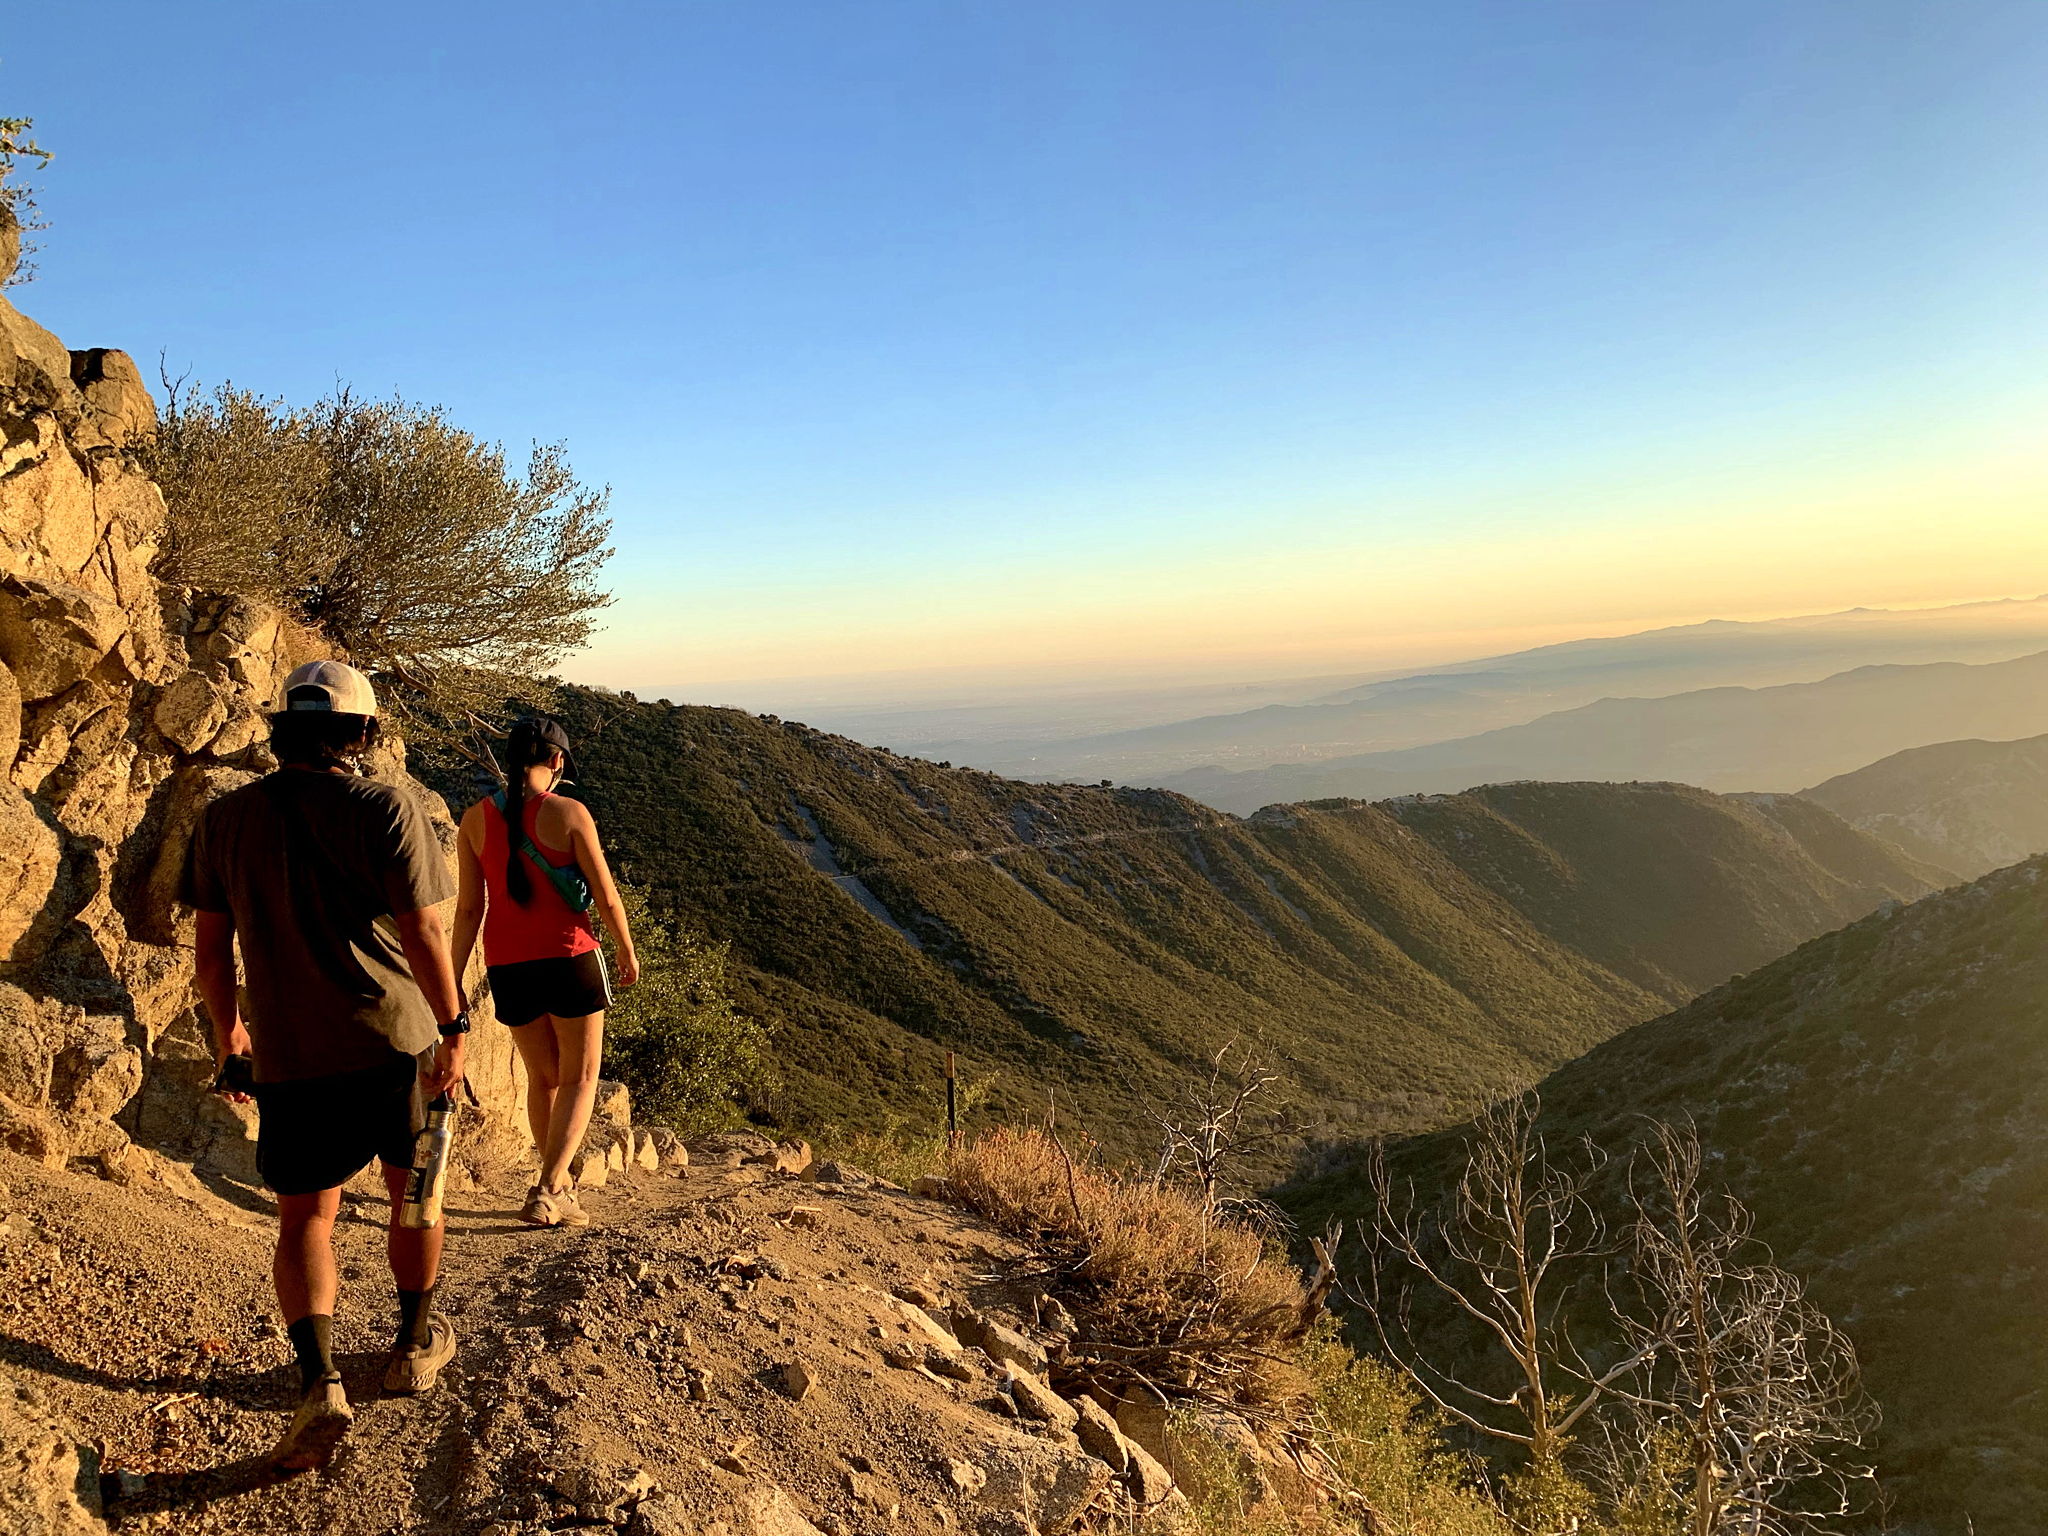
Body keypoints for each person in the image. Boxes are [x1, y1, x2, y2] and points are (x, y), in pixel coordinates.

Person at [182, 660, 470, 1471]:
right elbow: (424, 932)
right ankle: (412, 1347)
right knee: (414, 1196)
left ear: (282, 730)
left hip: (291, 1052)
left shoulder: (224, 819)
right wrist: (454, 1028)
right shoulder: (386, 807)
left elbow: (211, 953)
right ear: (362, 733)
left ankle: (320, 1380)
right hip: (394, 1040)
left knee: (307, 1217)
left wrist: (231, 1040)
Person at [451, 715, 638, 1228]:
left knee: (544, 1078)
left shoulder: (474, 820)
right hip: (570, 957)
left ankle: (557, 1183)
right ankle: (551, 1188)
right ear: (557, 761)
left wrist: (453, 980)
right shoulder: (569, 812)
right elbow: (606, 895)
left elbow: (468, 909)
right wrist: (625, 949)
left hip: (507, 965)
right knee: (581, 1075)